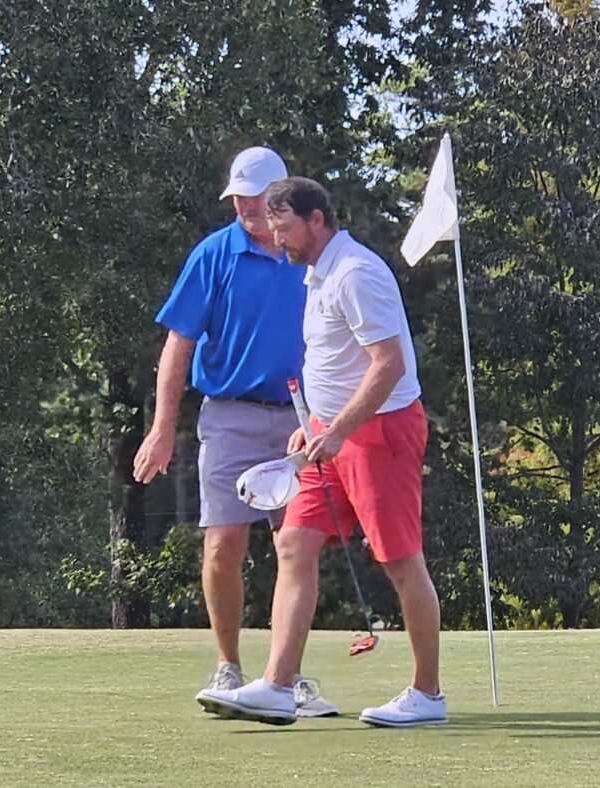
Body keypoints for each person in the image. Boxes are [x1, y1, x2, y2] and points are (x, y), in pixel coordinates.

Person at [196, 177, 446, 728]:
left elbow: (388, 365)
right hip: (330, 435)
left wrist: (337, 430)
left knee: (401, 563)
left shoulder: (356, 273)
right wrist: (312, 424)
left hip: (380, 432)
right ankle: (279, 687)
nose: (278, 239)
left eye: (285, 228)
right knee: (294, 544)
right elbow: (334, 364)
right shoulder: (316, 274)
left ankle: (427, 695)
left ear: (316, 220)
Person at [133, 150, 337, 717]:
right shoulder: (215, 254)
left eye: (255, 196)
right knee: (224, 543)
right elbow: (179, 342)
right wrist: (162, 427)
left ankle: (284, 678)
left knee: (297, 546)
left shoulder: (310, 254)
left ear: (282, 193)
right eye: (238, 198)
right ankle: (228, 667)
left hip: (302, 419)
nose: (245, 206)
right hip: (229, 415)